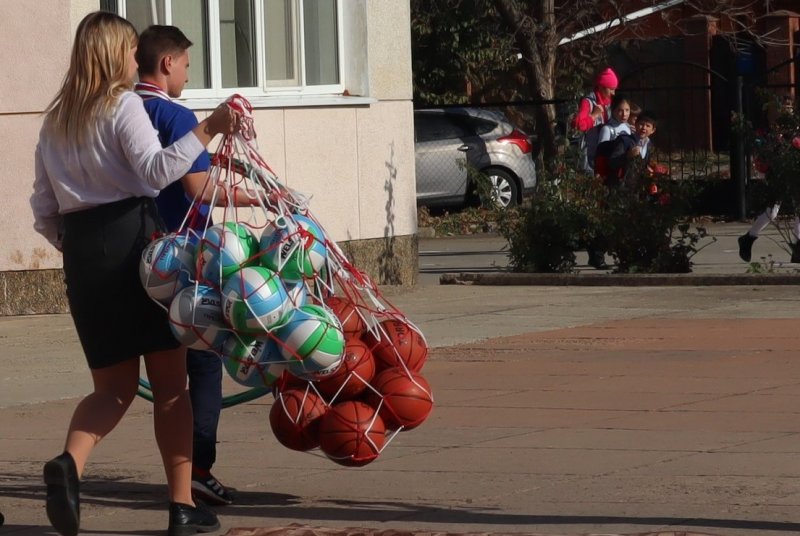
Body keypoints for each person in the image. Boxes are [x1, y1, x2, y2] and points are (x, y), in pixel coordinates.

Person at [30, 11, 237, 536]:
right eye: (127, 50)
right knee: (171, 387)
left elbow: (43, 207)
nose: (133, 59)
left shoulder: (56, 119)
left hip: (83, 254)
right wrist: (207, 128)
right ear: (111, 55)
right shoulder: (122, 105)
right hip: (135, 244)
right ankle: (182, 504)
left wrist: (78, 247)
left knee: (112, 387)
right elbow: (155, 171)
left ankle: (69, 465)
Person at [134, 24, 236, 506]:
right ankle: (198, 467)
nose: (189, 77)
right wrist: (258, 198)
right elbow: (197, 188)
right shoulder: (175, 115)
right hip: (183, 258)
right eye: (188, 66)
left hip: (135, 253)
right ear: (168, 63)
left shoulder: (123, 109)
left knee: (136, 377)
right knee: (205, 360)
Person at [738, 96, 800, 264]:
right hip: (778, 173)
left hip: (794, 172)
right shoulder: (775, 131)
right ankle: (748, 238)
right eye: (784, 108)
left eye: (789, 107)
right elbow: (770, 151)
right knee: (772, 212)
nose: (787, 110)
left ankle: (797, 249)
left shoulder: (795, 127)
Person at [571, 67, 618, 174]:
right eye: (611, 89)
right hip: (590, 155)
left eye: (614, 89)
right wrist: (593, 115)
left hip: (607, 153)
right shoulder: (588, 102)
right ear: (601, 87)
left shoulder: (610, 103)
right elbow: (578, 124)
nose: (613, 93)